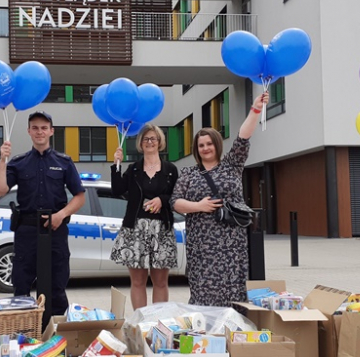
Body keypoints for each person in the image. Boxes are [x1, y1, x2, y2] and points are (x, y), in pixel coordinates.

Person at [171, 92, 269, 307]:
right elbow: (175, 202)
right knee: (203, 290)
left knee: (233, 288)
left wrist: (255, 109)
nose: (205, 148)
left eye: (209, 144)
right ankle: (206, 331)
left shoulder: (231, 166)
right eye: (200, 145)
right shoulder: (189, 173)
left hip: (231, 243)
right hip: (202, 244)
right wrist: (199, 206)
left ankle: (234, 331)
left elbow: (243, 138)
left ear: (216, 144)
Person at [0, 111, 85, 315]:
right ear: (28, 131)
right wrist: (2, 160)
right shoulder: (18, 162)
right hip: (26, 230)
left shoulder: (64, 162)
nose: (39, 132)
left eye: (44, 128)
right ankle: (25, 334)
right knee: (21, 286)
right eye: (35, 128)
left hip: (56, 228)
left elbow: (80, 197)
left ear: (51, 131)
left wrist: (61, 215)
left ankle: (55, 336)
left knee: (57, 286)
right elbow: (0, 190)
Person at [110, 124, 179, 310]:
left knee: (161, 282)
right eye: (145, 139)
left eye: (153, 139)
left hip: (161, 229)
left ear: (159, 142)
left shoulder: (170, 169)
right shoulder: (133, 169)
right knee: (138, 282)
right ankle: (141, 323)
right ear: (140, 143)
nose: (149, 142)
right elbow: (117, 190)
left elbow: (176, 196)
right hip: (135, 229)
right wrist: (116, 165)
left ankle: (158, 323)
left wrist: (161, 200)